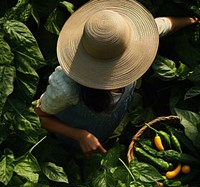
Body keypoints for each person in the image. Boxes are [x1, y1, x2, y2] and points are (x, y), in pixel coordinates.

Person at [34, 0, 199, 155]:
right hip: (74, 134)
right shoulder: (66, 86)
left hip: (107, 124)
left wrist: (192, 20)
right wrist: (79, 135)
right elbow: (39, 116)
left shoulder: (132, 38)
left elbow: (164, 25)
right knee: (71, 151)